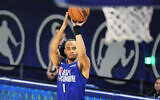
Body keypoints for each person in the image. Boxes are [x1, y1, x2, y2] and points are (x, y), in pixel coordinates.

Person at [50, 12, 90, 100]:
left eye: (74, 48)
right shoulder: (60, 64)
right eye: (68, 48)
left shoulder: (81, 65)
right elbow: (53, 50)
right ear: (64, 51)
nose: (71, 51)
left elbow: (82, 54)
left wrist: (77, 30)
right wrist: (63, 28)